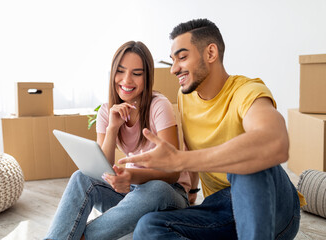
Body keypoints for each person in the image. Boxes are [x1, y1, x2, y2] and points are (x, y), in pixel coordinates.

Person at [119, 19, 306, 239]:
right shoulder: (185, 96)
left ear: (210, 53)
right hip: (223, 208)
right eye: (173, 60)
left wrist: (179, 161)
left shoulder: (247, 92)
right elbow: (194, 146)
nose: (174, 69)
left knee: (246, 160)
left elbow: (274, 143)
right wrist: (192, 191)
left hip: (275, 207)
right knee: (149, 227)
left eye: (182, 57)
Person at [44, 41, 191, 240]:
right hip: (131, 194)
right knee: (81, 177)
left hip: (168, 195)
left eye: (137, 73)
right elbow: (100, 172)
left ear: (147, 77)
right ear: (112, 73)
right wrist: (112, 128)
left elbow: (173, 173)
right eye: (120, 71)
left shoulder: (159, 106)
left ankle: (82, 237)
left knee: (156, 189)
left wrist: (131, 176)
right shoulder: (107, 111)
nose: (126, 80)